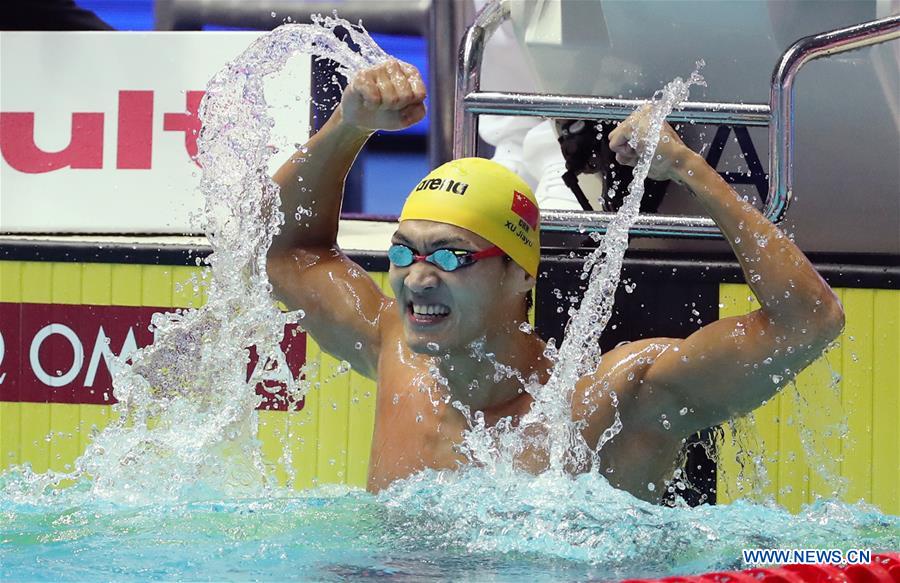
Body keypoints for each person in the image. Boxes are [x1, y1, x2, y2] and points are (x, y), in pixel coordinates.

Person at [266, 59, 844, 501]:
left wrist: (689, 170)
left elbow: (810, 322)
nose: (416, 278)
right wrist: (347, 126)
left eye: (449, 257)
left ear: (519, 274)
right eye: (403, 252)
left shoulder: (609, 401)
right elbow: (287, 248)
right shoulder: (395, 349)